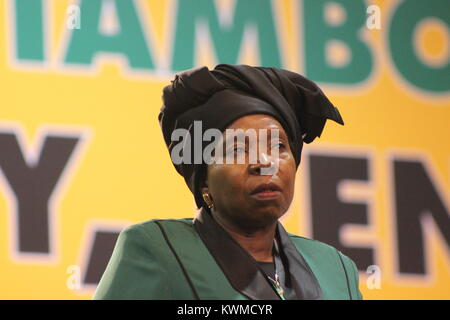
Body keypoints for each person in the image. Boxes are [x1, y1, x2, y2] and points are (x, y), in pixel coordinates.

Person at [93, 64, 363, 300]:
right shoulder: (158, 249)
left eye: (278, 145)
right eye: (237, 149)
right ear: (204, 181)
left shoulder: (336, 269)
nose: (264, 163)